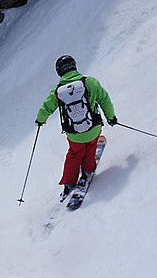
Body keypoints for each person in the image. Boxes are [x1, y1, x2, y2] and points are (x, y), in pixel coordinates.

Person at [35, 55, 117, 197]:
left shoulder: (57, 91)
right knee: (91, 148)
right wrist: (111, 118)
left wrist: (40, 120)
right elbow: (105, 100)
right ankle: (87, 170)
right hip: (93, 129)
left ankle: (69, 182)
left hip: (74, 134)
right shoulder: (90, 82)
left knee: (74, 154)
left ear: (59, 71)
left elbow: (46, 108)